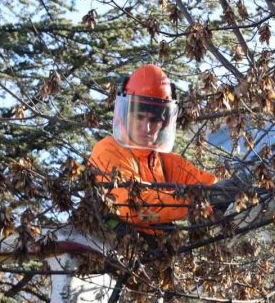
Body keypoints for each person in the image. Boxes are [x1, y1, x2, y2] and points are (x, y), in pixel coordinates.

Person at [89, 64, 218, 231]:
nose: (147, 127)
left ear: (164, 123)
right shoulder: (108, 150)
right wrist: (194, 203)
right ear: (126, 116)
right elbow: (130, 205)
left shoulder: (167, 162)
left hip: (155, 252)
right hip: (113, 250)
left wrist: (225, 195)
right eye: (140, 117)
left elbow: (208, 187)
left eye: (154, 120)